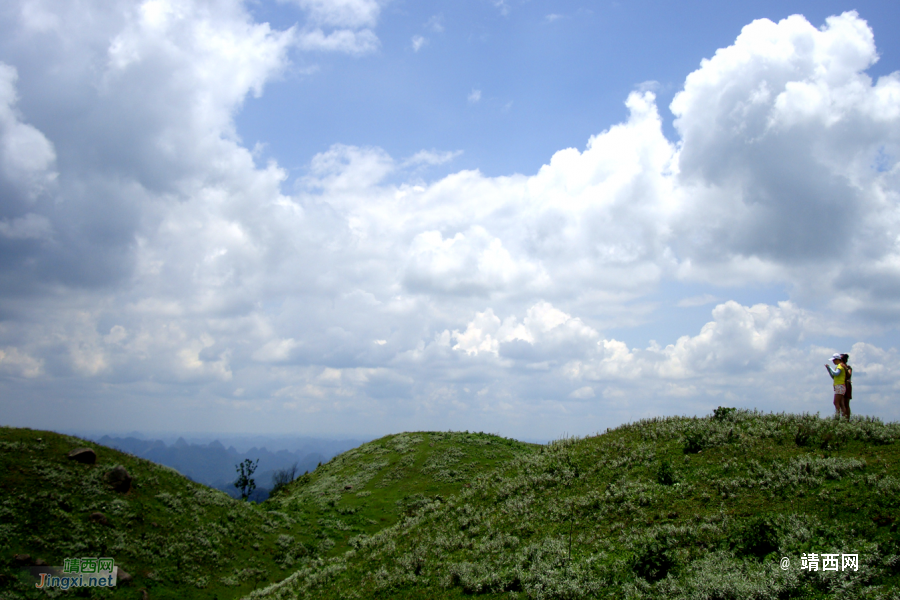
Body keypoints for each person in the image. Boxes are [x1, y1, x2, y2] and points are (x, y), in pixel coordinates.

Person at [825, 353, 848, 420]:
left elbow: (836, 373)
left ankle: (837, 417)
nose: (833, 361)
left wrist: (830, 367)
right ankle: (844, 418)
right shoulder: (839, 366)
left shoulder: (840, 366)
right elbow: (833, 376)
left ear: (838, 359)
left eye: (834, 360)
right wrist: (828, 369)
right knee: (841, 403)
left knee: (836, 402)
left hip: (839, 386)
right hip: (840, 386)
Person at [841, 353, 852, 419]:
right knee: (841, 403)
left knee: (846, 404)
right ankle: (843, 418)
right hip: (841, 385)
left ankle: (847, 419)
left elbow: (849, 375)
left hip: (847, 386)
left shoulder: (848, 367)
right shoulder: (840, 367)